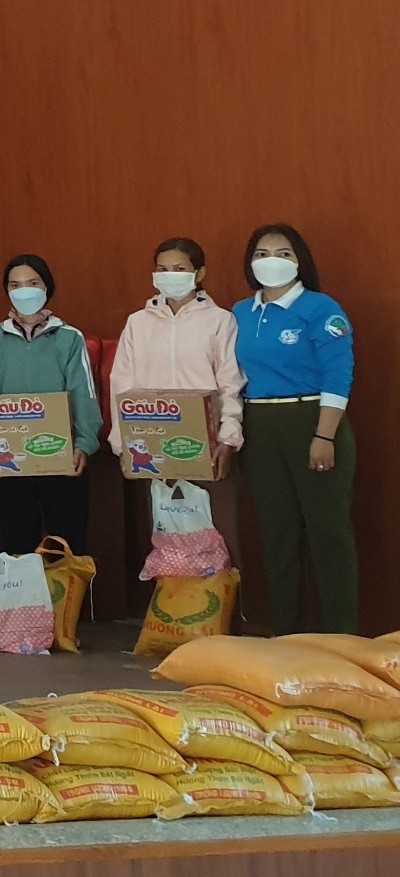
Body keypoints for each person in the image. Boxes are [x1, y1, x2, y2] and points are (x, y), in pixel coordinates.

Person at [232, 224, 357, 635]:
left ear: (300, 260)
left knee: (328, 533)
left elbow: (338, 373)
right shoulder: (240, 313)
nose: (272, 261)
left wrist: (324, 436)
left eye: (283, 253)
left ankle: (341, 636)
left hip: (312, 421)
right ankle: (286, 635)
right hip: (259, 425)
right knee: (277, 534)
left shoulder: (321, 308)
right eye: (262, 253)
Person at [108, 236, 246, 557]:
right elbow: (121, 384)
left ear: (199, 273)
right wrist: (122, 443)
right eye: (162, 269)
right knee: (167, 541)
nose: (170, 275)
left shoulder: (220, 320)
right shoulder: (138, 323)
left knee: (218, 539)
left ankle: (221, 592)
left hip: (207, 448)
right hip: (152, 447)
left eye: (179, 269)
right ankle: (171, 591)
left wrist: (228, 439)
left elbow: (230, 383)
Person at [0, 255, 101, 555]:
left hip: (62, 458)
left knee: (66, 546)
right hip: (9, 460)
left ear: (46, 288)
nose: (24, 291)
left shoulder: (69, 338)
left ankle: (68, 590)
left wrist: (83, 444)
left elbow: (84, 394)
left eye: (32, 283)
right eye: (15, 285)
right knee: (17, 547)